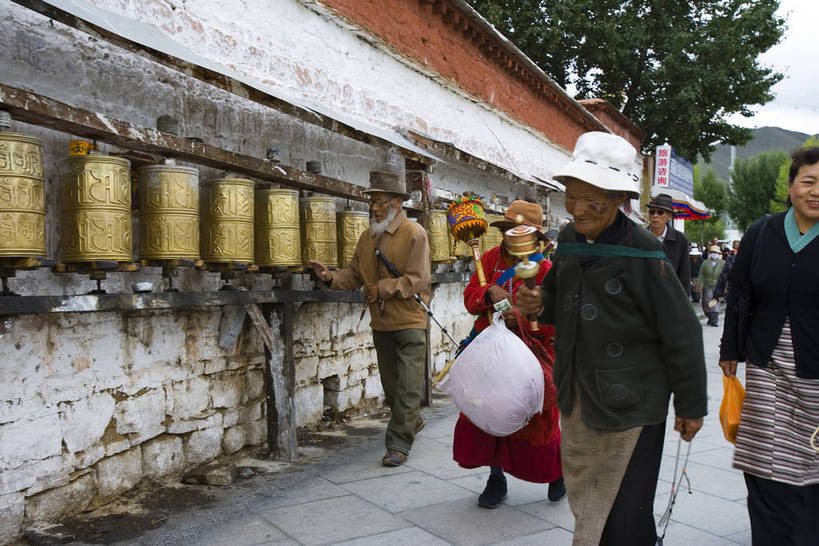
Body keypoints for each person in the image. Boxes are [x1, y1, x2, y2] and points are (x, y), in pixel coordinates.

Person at [516, 131, 707, 545]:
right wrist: (537, 303)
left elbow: (682, 330)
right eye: (572, 196)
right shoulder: (568, 240)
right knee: (591, 504)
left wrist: (691, 405)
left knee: (624, 510)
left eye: (592, 200)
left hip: (634, 402)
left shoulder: (642, 249)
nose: (578, 209)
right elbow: (558, 301)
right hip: (580, 394)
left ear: (620, 199)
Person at [718, 146, 819, 545]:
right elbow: (739, 290)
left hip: (816, 374)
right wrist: (730, 348)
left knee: (812, 461)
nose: (815, 192)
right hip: (767, 363)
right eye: (808, 182)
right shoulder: (763, 232)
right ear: (791, 186)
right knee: (765, 460)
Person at [309, 171, 431, 467]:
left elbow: (417, 279)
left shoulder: (416, 234)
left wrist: (383, 289)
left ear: (398, 202)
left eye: (380, 202)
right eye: (372, 202)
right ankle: (410, 419)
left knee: (409, 386)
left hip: (410, 321)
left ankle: (398, 444)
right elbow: (354, 274)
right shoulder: (367, 237)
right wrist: (329, 278)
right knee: (391, 386)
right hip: (381, 323)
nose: (374, 208)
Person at [452, 200, 565, 509]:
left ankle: (556, 472)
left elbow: (555, 323)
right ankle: (496, 476)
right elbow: (470, 299)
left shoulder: (545, 270)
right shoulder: (488, 260)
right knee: (488, 411)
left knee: (538, 415)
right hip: (492, 351)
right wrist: (487, 292)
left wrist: (524, 319)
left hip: (532, 352)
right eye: (509, 231)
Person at [646, 193, 691, 290]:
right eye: (652, 212)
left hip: (669, 296)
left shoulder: (680, 240)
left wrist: (683, 302)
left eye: (660, 212)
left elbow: (684, 275)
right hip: (643, 296)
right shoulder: (639, 237)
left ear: (669, 215)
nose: (655, 215)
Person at [698, 244, 726, 326]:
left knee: (715, 302)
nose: (714, 254)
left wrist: (726, 287)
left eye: (716, 252)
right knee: (706, 302)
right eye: (713, 252)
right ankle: (710, 317)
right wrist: (699, 285)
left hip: (718, 285)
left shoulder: (723, 263)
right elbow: (701, 274)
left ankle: (714, 320)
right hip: (707, 285)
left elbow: (726, 275)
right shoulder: (705, 263)